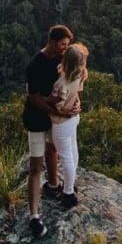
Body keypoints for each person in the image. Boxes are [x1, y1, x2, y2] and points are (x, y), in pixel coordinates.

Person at [23, 24, 77, 237]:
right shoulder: (35, 65)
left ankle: (54, 185)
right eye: (63, 45)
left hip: (56, 118)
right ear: (52, 43)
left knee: (53, 149)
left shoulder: (63, 60)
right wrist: (59, 113)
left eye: (67, 45)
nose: (66, 48)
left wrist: (76, 104)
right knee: (35, 166)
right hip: (37, 118)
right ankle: (34, 216)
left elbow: (73, 81)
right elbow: (34, 99)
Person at [48, 42, 89, 209]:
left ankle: (68, 193)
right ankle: (71, 184)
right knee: (72, 150)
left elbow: (54, 102)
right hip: (74, 118)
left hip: (62, 123)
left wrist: (40, 99)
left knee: (65, 157)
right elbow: (76, 92)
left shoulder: (61, 84)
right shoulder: (81, 74)